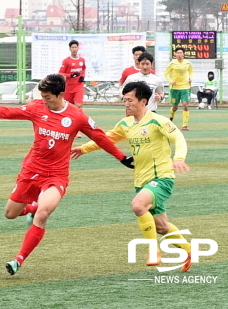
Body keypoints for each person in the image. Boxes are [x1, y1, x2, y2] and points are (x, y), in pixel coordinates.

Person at [0, 74, 134, 276]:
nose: (44, 100)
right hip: (31, 171)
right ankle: (32, 207)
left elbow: (100, 137)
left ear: (60, 94)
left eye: (48, 96)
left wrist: (121, 157)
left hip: (56, 176)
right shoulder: (37, 107)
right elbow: (7, 112)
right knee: (10, 214)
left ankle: (18, 260)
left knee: (42, 216)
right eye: (42, 96)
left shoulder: (77, 117)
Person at [71, 81, 192, 272]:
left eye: (129, 100)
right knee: (161, 227)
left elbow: (178, 138)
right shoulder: (126, 124)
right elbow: (106, 138)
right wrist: (84, 149)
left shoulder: (157, 121)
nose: (126, 104)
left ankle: (154, 251)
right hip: (142, 181)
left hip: (162, 178)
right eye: (124, 100)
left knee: (138, 205)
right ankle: (189, 249)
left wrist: (178, 158)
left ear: (143, 101)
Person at [59, 40, 86, 138]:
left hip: (79, 86)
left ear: (78, 48)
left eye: (76, 47)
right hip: (69, 87)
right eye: (72, 47)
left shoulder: (82, 60)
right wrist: (70, 75)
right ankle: (66, 127)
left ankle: (79, 129)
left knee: (79, 105)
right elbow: (61, 73)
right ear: (70, 49)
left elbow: (83, 69)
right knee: (67, 107)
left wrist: (82, 76)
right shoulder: (66, 61)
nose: (74, 49)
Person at [164, 47, 193, 130]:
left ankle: (184, 125)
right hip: (175, 88)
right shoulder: (172, 64)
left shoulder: (187, 63)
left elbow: (191, 71)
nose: (179, 54)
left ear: (183, 54)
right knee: (175, 107)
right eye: (178, 53)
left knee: (185, 105)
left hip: (185, 87)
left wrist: (190, 78)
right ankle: (171, 117)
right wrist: (170, 81)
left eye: (181, 53)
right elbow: (166, 73)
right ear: (175, 54)